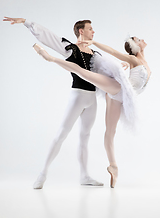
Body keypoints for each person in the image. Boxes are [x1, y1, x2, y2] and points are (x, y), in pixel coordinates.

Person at [33, 35, 151, 188]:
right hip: (118, 89)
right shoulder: (134, 59)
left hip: (121, 97)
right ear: (135, 46)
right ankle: (51, 58)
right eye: (139, 39)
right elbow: (114, 52)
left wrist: (123, 66)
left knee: (110, 132)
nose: (142, 39)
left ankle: (113, 166)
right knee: (85, 73)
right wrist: (94, 42)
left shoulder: (140, 62)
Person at [3, 17, 103, 189]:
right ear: (81, 31)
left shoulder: (96, 54)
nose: (93, 31)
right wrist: (27, 22)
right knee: (61, 134)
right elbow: (49, 37)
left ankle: (84, 175)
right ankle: (42, 174)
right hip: (77, 96)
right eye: (90, 29)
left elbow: (108, 73)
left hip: (92, 99)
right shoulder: (70, 48)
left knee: (85, 137)